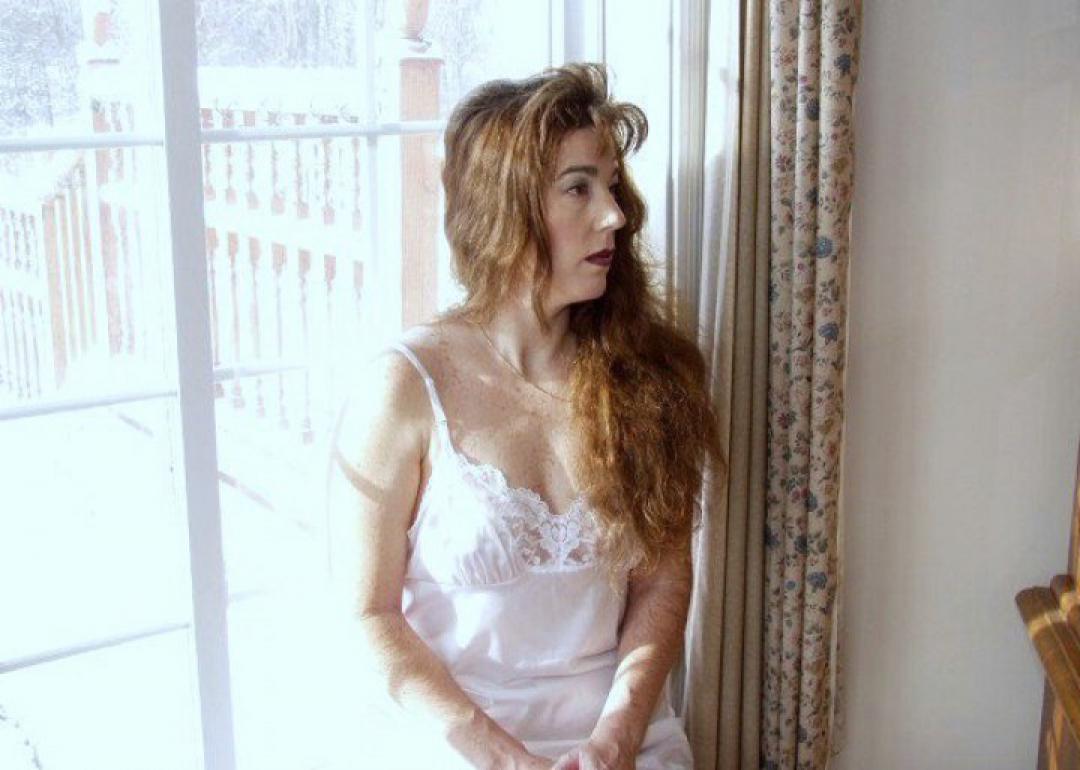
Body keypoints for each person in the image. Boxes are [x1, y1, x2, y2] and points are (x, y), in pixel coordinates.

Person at [329, 63, 724, 769]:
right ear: (505, 208)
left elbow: (662, 582)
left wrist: (615, 739)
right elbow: (369, 615)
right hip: (458, 746)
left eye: (612, 186)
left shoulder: (649, 378)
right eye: (579, 188)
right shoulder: (406, 388)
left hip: (621, 743)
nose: (614, 215)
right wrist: (506, 759)